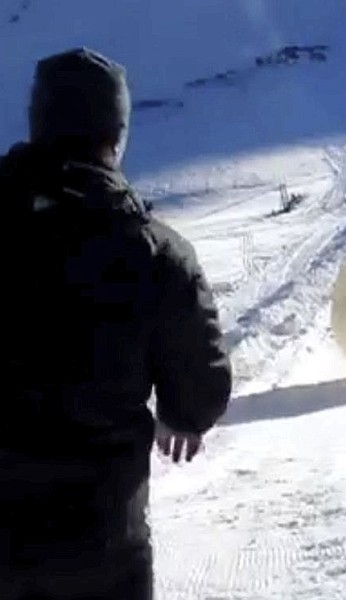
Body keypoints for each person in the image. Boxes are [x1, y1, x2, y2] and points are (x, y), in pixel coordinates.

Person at [0, 48, 232, 600]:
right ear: (116, 134)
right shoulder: (156, 254)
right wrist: (180, 415)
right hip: (101, 547)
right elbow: (202, 387)